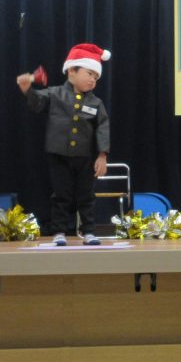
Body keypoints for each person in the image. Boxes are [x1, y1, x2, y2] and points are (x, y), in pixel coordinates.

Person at [17, 44, 111, 246]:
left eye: (96, 77)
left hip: (85, 157)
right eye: (89, 74)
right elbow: (37, 103)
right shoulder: (55, 93)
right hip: (59, 155)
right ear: (71, 71)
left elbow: (103, 128)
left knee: (86, 196)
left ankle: (89, 231)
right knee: (61, 195)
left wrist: (102, 155)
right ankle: (59, 231)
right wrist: (27, 90)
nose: (92, 80)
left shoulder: (96, 103)